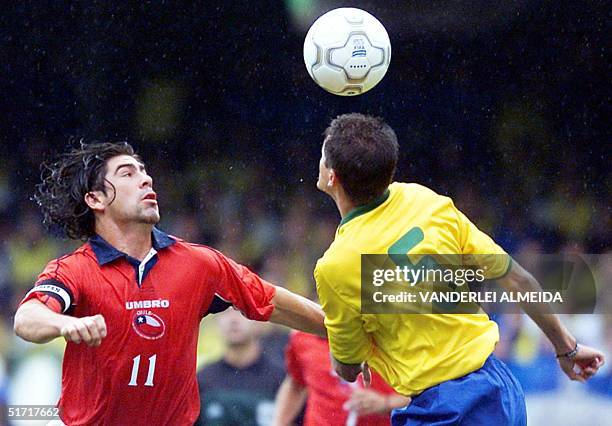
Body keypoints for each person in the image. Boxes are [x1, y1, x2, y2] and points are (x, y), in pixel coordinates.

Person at [313, 113, 606, 426]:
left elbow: (347, 367)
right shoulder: (425, 201)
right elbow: (517, 279)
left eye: (322, 154)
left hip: (443, 410)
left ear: (333, 177)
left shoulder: (336, 266)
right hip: (499, 390)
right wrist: (567, 348)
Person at [13, 142, 326, 426]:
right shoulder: (75, 269)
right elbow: (27, 318)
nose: (146, 180)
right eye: (127, 174)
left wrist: (342, 330)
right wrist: (63, 323)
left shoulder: (199, 264)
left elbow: (271, 301)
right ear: (95, 199)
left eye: (145, 172)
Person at [273, 330, 409, 426]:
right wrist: (279, 423)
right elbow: (296, 384)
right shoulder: (303, 338)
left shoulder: (395, 337)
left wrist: (386, 403)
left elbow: (426, 394)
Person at [195, 308, 285, 426]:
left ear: (258, 320)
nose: (233, 319)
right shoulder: (202, 380)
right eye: (225, 312)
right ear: (216, 321)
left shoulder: (280, 379)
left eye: (241, 311)